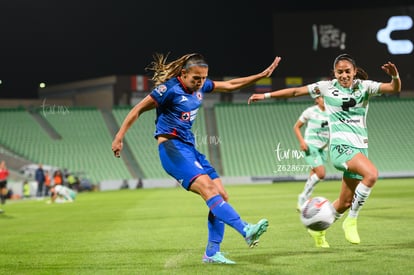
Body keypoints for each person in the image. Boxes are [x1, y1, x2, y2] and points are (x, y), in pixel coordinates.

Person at [112, 53, 281, 264]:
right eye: (196, 79)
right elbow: (138, 108)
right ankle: (246, 229)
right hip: (172, 149)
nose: (200, 83)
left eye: (203, 78)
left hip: (190, 149)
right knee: (209, 190)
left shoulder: (200, 87)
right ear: (183, 74)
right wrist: (119, 137)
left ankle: (212, 253)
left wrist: (261, 76)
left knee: (220, 195)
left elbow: (230, 85)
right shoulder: (169, 90)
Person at [248, 53, 401, 247]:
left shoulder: (365, 87)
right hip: (340, 148)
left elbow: (394, 89)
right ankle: (351, 220)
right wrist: (265, 95)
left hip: (360, 148)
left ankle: (317, 231)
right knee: (371, 174)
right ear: (334, 73)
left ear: (354, 72)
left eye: (347, 71)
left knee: (344, 202)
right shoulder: (326, 88)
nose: (344, 75)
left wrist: (395, 76)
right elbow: (295, 92)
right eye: (340, 72)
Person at [294, 94, 329, 212]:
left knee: (314, 175)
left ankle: (305, 199)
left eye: (325, 97)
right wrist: (302, 142)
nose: (323, 100)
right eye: (321, 98)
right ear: (317, 100)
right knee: (321, 173)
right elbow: (296, 127)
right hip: (310, 146)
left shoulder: (332, 112)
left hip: (324, 148)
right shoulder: (310, 111)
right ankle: (303, 196)